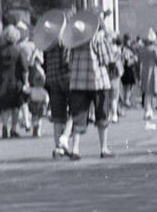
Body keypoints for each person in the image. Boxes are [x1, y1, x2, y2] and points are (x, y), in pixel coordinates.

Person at [64, 19, 118, 159]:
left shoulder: (71, 41)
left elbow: (67, 62)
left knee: (78, 116)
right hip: (98, 82)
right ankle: (103, 148)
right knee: (102, 115)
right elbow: (107, 59)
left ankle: (75, 149)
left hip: (77, 83)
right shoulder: (97, 39)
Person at [0, 25, 27, 137]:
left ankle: (4, 127)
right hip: (16, 81)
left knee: (4, 106)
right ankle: (13, 129)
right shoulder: (19, 50)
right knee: (16, 106)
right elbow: (24, 68)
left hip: (1, 80)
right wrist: (26, 82)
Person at [41, 39, 74, 160]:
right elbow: (66, 61)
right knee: (74, 111)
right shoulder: (66, 42)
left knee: (57, 116)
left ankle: (58, 148)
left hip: (52, 80)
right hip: (66, 80)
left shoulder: (48, 44)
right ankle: (64, 138)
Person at [139, 30, 157, 125]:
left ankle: (148, 110)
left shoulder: (142, 49)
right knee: (150, 92)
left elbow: (139, 60)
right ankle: (148, 111)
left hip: (144, 70)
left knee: (147, 92)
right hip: (153, 71)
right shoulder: (154, 49)